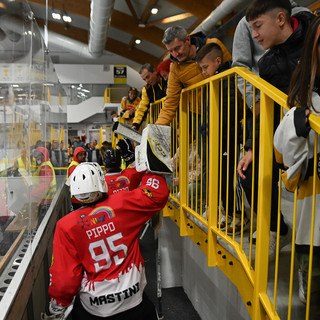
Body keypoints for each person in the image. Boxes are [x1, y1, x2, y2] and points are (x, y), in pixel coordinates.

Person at [41, 162, 169, 320]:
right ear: (102, 183)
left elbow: (65, 279)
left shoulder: (66, 226)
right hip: (134, 301)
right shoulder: (123, 203)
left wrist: (56, 306)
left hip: (94, 309)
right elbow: (156, 195)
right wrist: (152, 169)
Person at [237, 0, 314, 257]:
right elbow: (263, 111)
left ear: (281, 19)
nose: (254, 35)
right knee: (247, 171)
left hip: (314, 135)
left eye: (258, 26)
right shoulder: (267, 63)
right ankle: (278, 229)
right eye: (251, 29)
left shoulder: (315, 39)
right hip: (291, 136)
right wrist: (251, 146)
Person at [273, 16, 320, 312]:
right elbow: (283, 155)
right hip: (313, 214)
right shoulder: (305, 93)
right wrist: (295, 126)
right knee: (313, 299)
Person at [196, 43, 245, 232]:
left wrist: (214, 128)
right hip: (215, 136)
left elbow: (228, 110)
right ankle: (229, 213)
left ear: (218, 61)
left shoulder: (228, 78)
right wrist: (205, 129)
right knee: (220, 179)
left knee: (230, 178)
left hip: (228, 136)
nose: (203, 72)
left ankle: (240, 216)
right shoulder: (214, 81)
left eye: (205, 67)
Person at [155, 25, 231, 126]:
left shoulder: (214, 45)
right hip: (201, 117)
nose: (175, 54)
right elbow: (170, 102)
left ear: (188, 39)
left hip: (227, 108)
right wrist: (156, 129)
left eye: (177, 48)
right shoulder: (174, 68)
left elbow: (233, 74)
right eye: (171, 51)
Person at [132, 63, 167, 131]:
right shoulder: (146, 89)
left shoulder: (166, 78)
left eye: (148, 77)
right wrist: (135, 125)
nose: (147, 81)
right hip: (159, 123)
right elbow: (142, 108)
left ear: (154, 71)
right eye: (144, 79)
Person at [31, 147, 57, 226]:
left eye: (39, 156)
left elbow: (44, 184)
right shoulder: (44, 165)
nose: (37, 158)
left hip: (46, 199)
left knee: (43, 224)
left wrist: (33, 194)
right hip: (45, 198)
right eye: (36, 156)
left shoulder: (45, 167)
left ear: (44, 156)